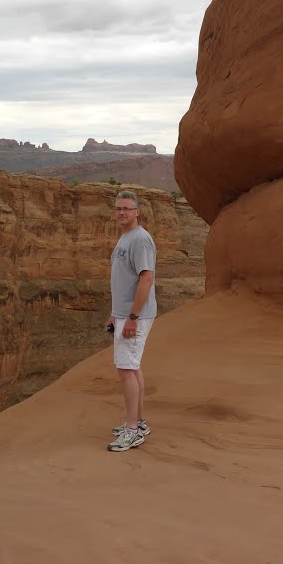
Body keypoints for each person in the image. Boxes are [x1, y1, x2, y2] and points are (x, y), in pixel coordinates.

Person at [106, 189, 157, 452]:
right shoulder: (125, 238)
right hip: (125, 314)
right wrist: (116, 313)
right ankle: (138, 421)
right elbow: (123, 281)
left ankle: (132, 430)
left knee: (126, 370)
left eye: (126, 208)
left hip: (135, 316)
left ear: (137, 212)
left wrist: (133, 317)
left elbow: (146, 278)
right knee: (133, 367)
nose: (122, 212)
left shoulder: (140, 240)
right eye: (118, 208)